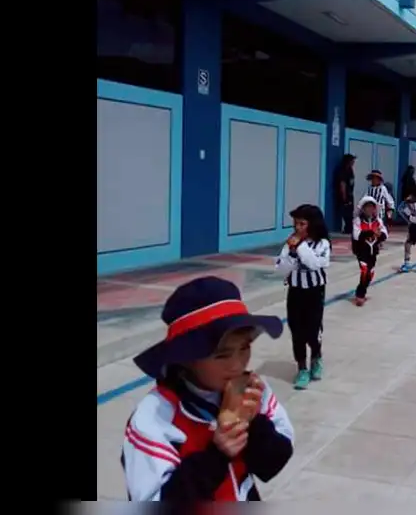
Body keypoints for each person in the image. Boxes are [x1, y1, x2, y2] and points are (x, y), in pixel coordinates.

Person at [122, 276, 294, 501]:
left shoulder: (254, 393)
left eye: (244, 348)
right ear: (185, 358)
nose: (237, 365)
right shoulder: (155, 417)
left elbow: (272, 465)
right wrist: (216, 456)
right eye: (221, 354)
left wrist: (255, 425)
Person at [274, 204, 331, 388]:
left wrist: (300, 246)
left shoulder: (322, 244)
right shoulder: (290, 243)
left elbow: (314, 263)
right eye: (296, 224)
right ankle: (302, 368)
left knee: (313, 331)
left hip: (315, 292)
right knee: (296, 330)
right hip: (296, 292)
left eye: (302, 224)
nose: (298, 228)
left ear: (312, 224)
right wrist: (290, 253)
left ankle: (316, 357)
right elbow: (281, 268)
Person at [351, 195, 388, 306]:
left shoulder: (378, 221)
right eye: (367, 207)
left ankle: (362, 291)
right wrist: (371, 232)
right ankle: (360, 295)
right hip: (362, 251)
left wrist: (380, 234)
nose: (369, 210)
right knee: (364, 271)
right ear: (362, 208)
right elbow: (357, 235)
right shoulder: (358, 221)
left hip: (373, 252)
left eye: (372, 207)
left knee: (370, 274)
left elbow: (385, 234)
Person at [333, 154, 356, 234]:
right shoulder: (342, 170)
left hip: (350, 194)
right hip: (345, 196)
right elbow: (342, 184)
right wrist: (344, 197)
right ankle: (348, 229)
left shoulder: (350, 170)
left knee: (350, 212)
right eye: (352, 161)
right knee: (346, 213)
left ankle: (349, 228)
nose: (353, 163)